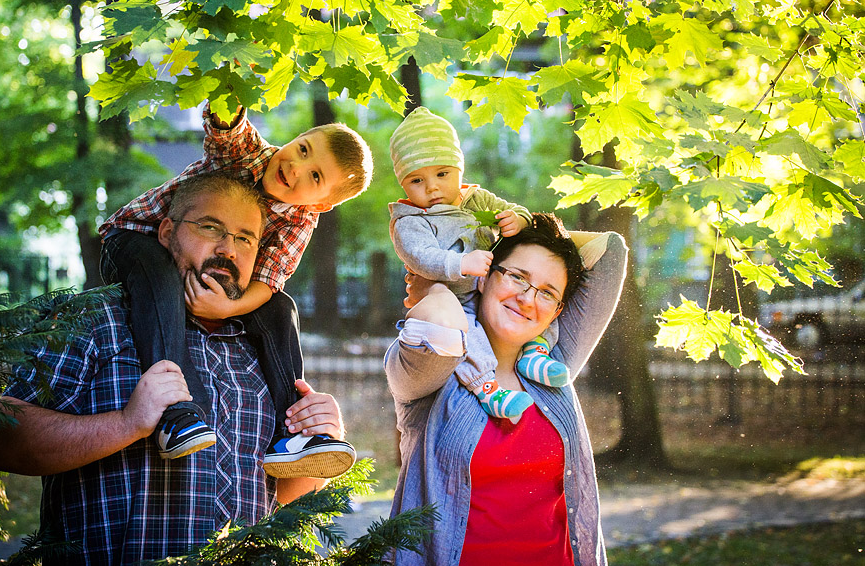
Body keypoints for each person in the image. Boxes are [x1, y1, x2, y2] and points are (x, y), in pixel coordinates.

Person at [0, 173, 351, 565]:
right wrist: (128, 423)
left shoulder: (265, 345)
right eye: (211, 227)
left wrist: (323, 432)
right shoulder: (98, 317)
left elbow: (285, 493)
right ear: (165, 232)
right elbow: (4, 442)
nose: (228, 249)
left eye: (245, 238)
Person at [99, 105, 372, 475]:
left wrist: (227, 309)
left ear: (321, 203)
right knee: (161, 284)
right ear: (295, 139)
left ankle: (290, 434)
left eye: (315, 175)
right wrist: (232, 88)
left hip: (204, 266)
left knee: (280, 308)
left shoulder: (301, 221)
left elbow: (268, 282)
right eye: (303, 149)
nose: (295, 167)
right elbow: (227, 130)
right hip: (138, 238)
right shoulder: (250, 154)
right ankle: (176, 413)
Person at [385, 213, 628, 566]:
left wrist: (523, 223)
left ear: (558, 310)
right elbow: (440, 321)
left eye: (547, 293)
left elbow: (612, 252)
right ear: (484, 276)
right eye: (516, 277)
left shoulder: (554, 367)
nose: (527, 299)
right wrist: (440, 282)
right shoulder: (437, 370)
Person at [388, 107, 571, 423]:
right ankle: (487, 388)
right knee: (467, 337)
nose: (432, 188)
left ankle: (535, 353)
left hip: (484, 290)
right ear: (403, 184)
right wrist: (460, 263)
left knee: (544, 298)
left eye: (442, 174)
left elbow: (510, 209)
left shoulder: (475, 199)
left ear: (460, 169)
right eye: (417, 180)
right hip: (455, 302)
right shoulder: (410, 221)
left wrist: (519, 220)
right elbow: (420, 256)